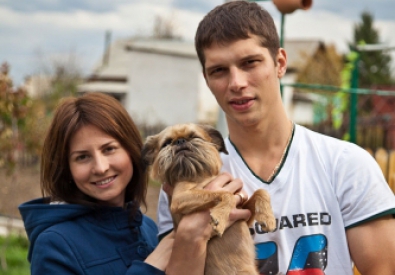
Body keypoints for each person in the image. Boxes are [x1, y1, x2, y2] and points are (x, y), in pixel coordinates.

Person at [157, 1, 395, 274]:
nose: (236, 83)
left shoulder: (345, 164)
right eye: (219, 70)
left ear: (280, 63)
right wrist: (191, 234)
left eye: (250, 63)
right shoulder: (187, 180)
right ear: (207, 79)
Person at [18, 92, 250, 275]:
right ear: (66, 168)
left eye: (109, 149)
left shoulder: (147, 229)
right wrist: (154, 263)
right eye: (82, 157)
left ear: (132, 152)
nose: (100, 167)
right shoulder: (55, 246)